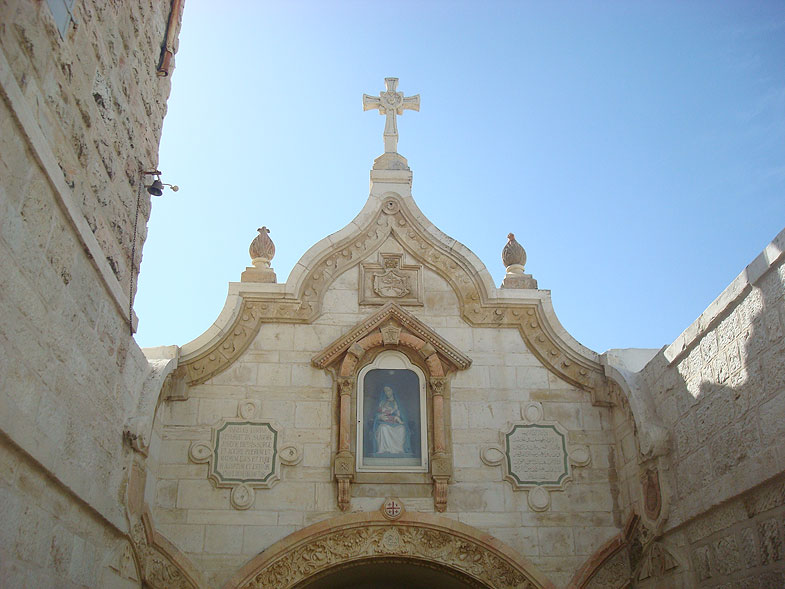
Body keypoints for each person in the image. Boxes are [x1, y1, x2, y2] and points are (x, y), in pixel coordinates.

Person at [372, 385, 411, 455]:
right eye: (385, 391)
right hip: (385, 423)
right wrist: (380, 417)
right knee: (383, 428)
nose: (387, 393)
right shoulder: (382, 403)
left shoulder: (397, 402)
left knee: (402, 429)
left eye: (388, 390)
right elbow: (377, 414)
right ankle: (384, 449)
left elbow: (401, 415)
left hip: (395, 422)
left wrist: (397, 415)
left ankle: (399, 450)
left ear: (393, 391)